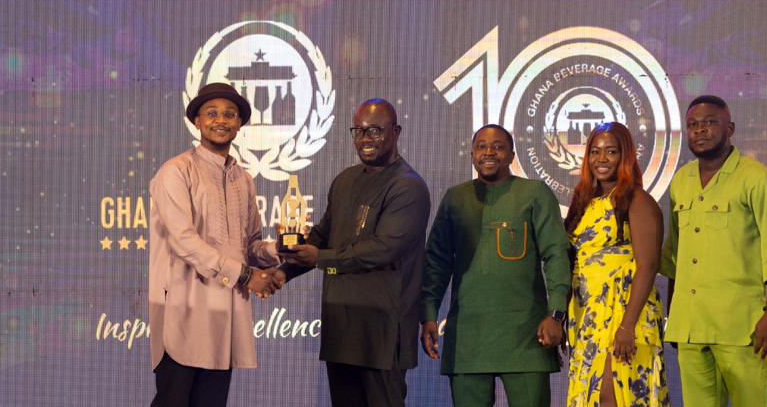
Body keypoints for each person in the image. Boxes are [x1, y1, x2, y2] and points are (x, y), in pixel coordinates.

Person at [274, 99, 431, 407]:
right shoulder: (345, 179)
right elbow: (322, 236)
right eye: (358, 131)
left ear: (396, 132)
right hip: (341, 328)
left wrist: (320, 259)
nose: (365, 138)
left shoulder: (408, 187)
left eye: (375, 130)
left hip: (382, 331)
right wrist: (283, 272)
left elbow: (382, 249)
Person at [147, 82, 282, 407]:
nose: (221, 120)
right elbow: (184, 242)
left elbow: (250, 247)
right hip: (183, 311)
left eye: (230, 114)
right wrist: (247, 276)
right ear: (197, 121)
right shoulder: (176, 172)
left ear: (239, 124)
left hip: (224, 316)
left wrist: (284, 248)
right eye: (212, 113)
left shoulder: (243, 179)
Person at [420, 124, 571, 407]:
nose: (489, 152)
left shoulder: (535, 193)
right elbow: (437, 261)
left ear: (512, 155)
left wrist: (557, 314)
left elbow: (556, 254)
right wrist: (428, 313)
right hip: (468, 338)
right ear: (472, 155)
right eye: (481, 146)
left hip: (528, 335)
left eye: (498, 146)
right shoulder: (456, 198)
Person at [661, 95, 767, 407]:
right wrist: (675, 318)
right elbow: (676, 257)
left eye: (710, 122)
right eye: (692, 124)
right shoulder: (680, 181)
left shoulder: (758, 179)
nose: (700, 130)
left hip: (742, 327)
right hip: (690, 327)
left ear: (729, 128)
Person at [563, 122, 670, 407]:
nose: (601, 158)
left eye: (611, 151)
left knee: (614, 395)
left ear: (626, 156)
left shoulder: (638, 199)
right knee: (592, 397)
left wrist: (627, 326)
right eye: (595, 151)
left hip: (625, 312)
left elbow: (648, 265)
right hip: (588, 315)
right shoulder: (584, 202)